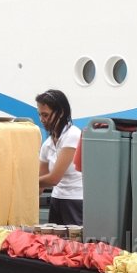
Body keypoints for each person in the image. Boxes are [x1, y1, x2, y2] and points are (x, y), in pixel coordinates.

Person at [37, 89, 83, 226]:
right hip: (57, 199)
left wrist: (24, 183)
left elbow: (54, 178)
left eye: (45, 115)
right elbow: (40, 183)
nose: (42, 120)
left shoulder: (73, 135)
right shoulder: (48, 144)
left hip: (75, 201)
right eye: (40, 114)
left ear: (61, 112)